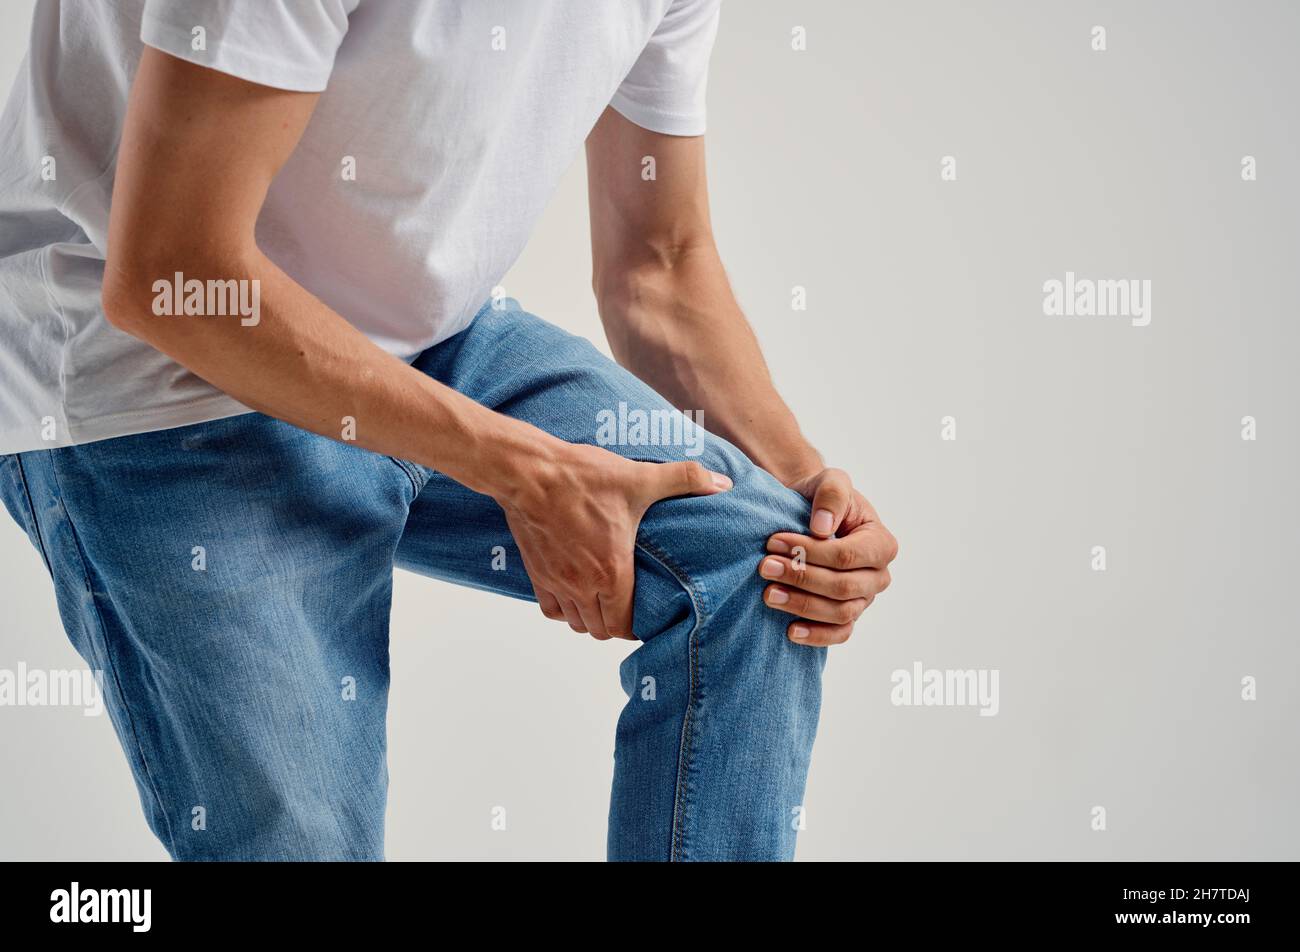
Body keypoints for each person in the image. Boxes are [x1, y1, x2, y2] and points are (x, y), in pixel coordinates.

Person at [0, 0, 897, 861]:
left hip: (432, 341)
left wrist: (816, 502)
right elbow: (168, 274)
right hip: (156, 380)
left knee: (768, 559)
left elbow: (657, 265)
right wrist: (521, 470)